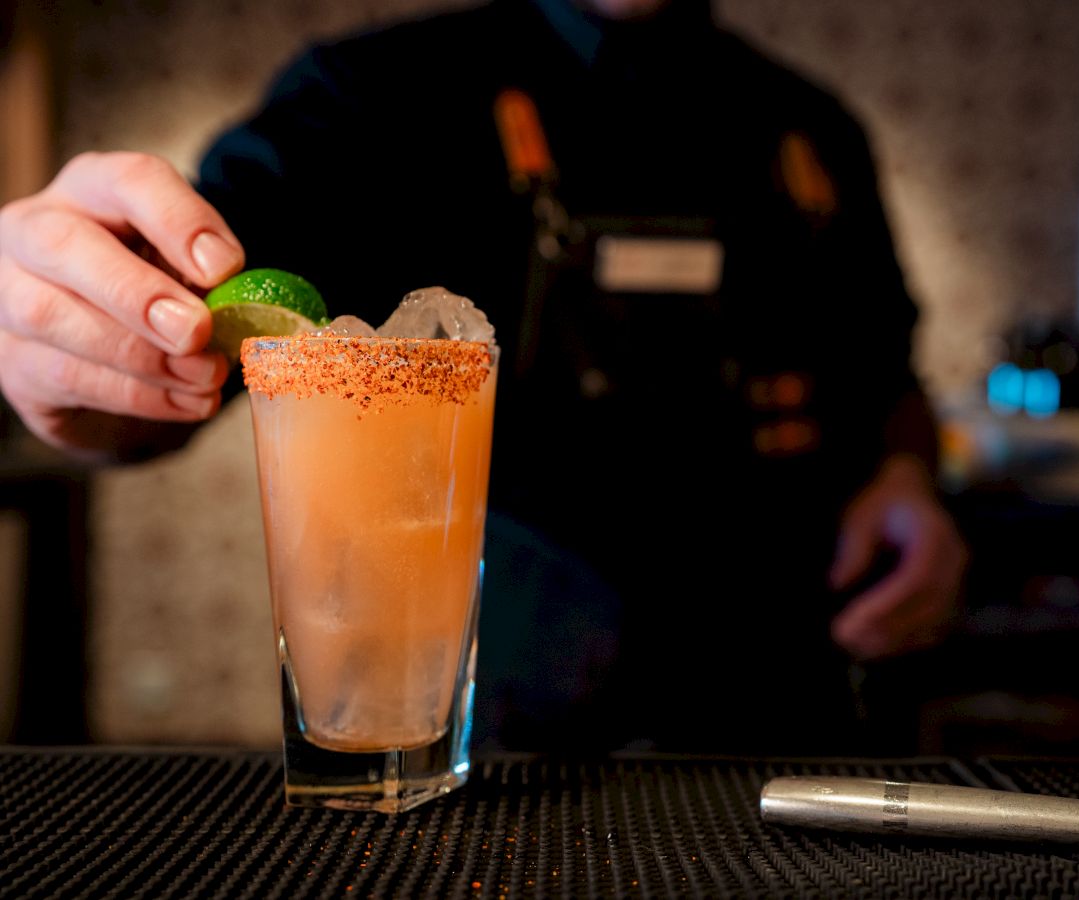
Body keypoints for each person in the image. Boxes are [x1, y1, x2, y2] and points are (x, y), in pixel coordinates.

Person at [0, 0, 967, 753]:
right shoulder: (365, 99)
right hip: (485, 738)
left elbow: (891, 384)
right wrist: (75, 363)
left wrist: (907, 480)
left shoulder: (811, 128)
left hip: (781, 711)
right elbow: (193, 353)